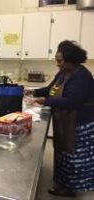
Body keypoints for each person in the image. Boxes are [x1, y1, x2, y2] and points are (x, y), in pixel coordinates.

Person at [25, 40, 94, 197]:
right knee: (63, 153)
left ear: (71, 59)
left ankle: (69, 189)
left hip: (79, 125)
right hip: (65, 121)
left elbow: (72, 101)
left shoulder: (82, 76)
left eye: (60, 61)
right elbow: (51, 89)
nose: (58, 64)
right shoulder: (64, 72)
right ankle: (62, 182)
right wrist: (33, 92)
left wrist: (45, 101)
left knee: (73, 157)